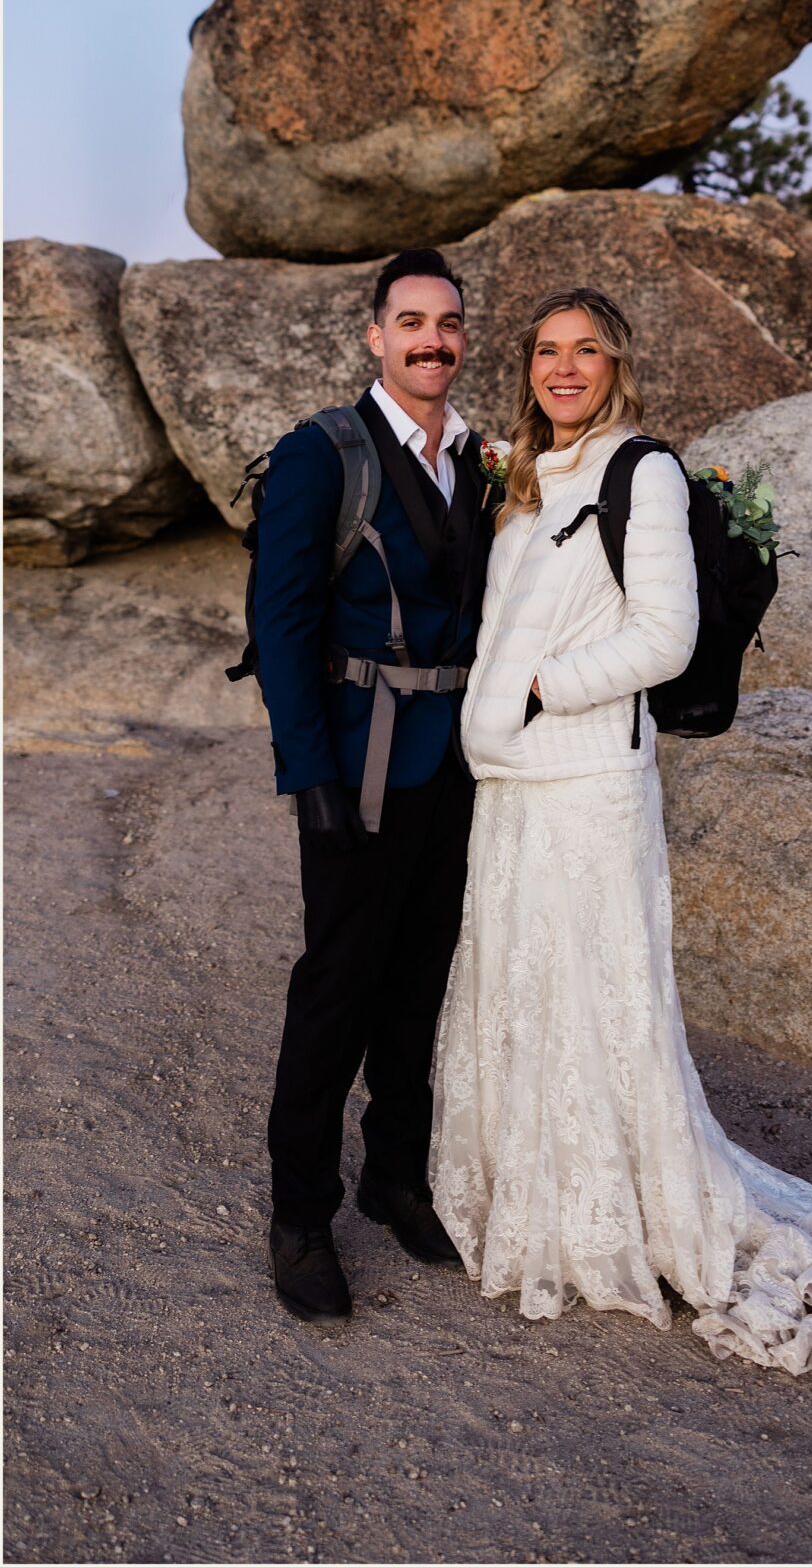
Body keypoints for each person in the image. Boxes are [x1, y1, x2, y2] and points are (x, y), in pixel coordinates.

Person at [429, 286, 812, 1385]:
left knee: (597, 1001)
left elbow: (664, 638)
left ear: (617, 364)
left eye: (584, 352)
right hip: (511, 785)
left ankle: (620, 1219)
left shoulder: (643, 472)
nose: (561, 369)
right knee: (524, 988)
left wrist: (535, 685)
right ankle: (543, 1205)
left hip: (585, 784)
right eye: (544, 352)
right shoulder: (527, 481)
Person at [255, 248, 491, 1323]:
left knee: (422, 979)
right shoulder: (323, 454)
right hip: (357, 767)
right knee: (339, 986)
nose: (429, 340)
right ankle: (300, 1213)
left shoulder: (474, 460)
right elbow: (283, 621)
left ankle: (394, 1175)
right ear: (374, 336)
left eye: (445, 324)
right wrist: (308, 775)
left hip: (454, 771)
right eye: (410, 323)